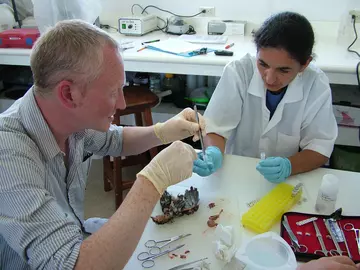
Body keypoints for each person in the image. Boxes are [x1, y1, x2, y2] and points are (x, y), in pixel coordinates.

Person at [0, 20, 206, 269]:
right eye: (113, 92)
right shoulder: (8, 155)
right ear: (69, 94)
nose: (121, 104)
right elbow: (72, 265)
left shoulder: (66, 118)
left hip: (74, 231)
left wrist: (163, 131)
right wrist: (152, 181)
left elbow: (114, 140)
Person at [193, 11, 338, 183]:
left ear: (304, 64)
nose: (269, 78)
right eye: (262, 64)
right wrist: (213, 152)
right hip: (236, 173)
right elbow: (216, 127)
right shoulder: (239, 72)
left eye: (283, 70)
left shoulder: (315, 84)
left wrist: (289, 165)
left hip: (285, 180)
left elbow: (320, 146)